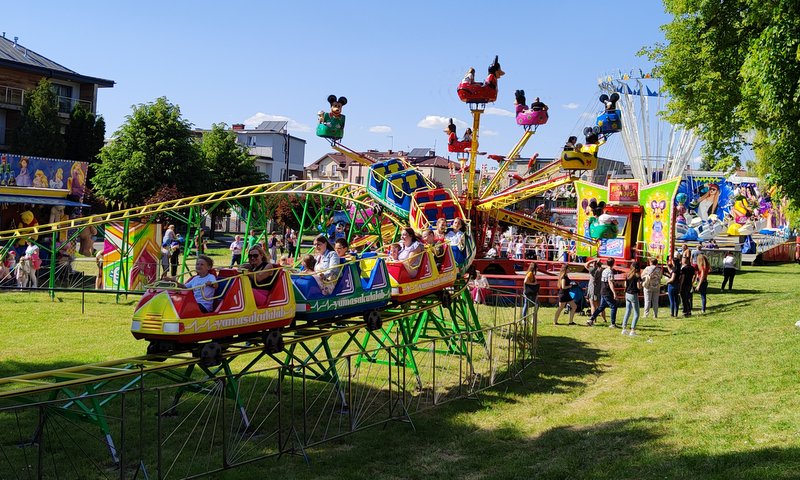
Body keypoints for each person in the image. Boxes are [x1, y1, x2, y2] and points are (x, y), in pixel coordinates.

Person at [587, 258, 618, 327]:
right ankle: (613, 323)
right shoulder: (609, 271)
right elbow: (610, 283)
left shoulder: (605, 270)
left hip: (602, 290)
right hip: (607, 291)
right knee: (613, 306)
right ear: (613, 263)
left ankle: (591, 319)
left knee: (601, 307)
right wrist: (614, 293)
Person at [621, 263, 642, 336]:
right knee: (636, 313)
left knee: (628, 311)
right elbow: (639, 287)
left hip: (627, 294)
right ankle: (632, 330)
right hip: (633, 294)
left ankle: (624, 328)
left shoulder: (628, 275)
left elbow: (625, 285)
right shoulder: (637, 276)